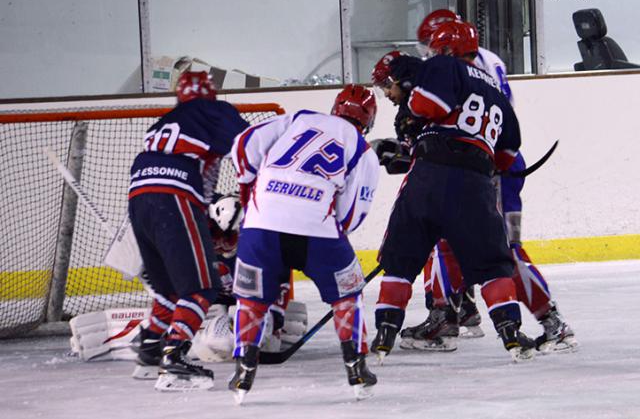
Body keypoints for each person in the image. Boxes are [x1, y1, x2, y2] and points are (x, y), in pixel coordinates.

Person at [398, 11, 577, 354]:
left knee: (503, 251)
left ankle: (553, 324)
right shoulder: (483, 62)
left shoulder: (456, 68)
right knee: (447, 240)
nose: (429, 53)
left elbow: (447, 114)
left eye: (432, 45)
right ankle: (447, 315)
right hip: (486, 163)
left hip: (486, 168)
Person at [369, 21, 536, 365]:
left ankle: (385, 333)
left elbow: (428, 106)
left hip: (430, 175)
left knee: (401, 258)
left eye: (433, 50)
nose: (429, 57)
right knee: (493, 265)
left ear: (446, 50)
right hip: (476, 183)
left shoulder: (442, 66)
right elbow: (506, 155)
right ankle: (510, 335)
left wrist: (414, 120)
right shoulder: (498, 94)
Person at [228, 84, 380, 403]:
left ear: (335, 107)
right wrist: (328, 224)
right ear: (368, 120)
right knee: (348, 294)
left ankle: (244, 370)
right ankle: (356, 368)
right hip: (316, 229)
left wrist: (251, 188)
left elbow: (243, 144)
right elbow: (353, 213)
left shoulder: (299, 118)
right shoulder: (362, 148)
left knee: (252, 299)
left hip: (260, 226)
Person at [127, 71, 250, 391]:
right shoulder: (214, 110)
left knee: (168, 289)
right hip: (175, 195)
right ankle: (174, 360)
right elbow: (252, 146)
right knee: (200, 289)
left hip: (138, 194)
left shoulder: (163, 121)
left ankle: (150, 349)